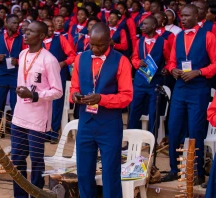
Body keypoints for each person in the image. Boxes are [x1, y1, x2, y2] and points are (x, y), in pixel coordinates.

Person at [71, 22, 133, 197]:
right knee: (83, 172)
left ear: (109, 41)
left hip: (109, 125)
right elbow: (74, 87)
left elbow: (126, 96)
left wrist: (102, 99)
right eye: (92, 44)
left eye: (99, 45)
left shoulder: (122, 61)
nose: (95, 48)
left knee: (110, 173)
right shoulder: (80, 58)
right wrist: (75, 96)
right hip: (85, 122)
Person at [161, 5, 216, 184]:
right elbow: (170, 61)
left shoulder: (208, 36)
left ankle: (198, 172)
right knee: (174, 128)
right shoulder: (178, 37)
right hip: (180, 88)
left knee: (195, 131)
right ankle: (173, 169)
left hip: (199, 89)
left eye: (186, 16)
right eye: (181, 16)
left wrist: (199, 72)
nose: (182, 19)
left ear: (196, 15)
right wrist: (173, 69)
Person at [11, 20, 62, 198]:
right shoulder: (22, 53)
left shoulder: (49, 60)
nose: (26, 33)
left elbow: (58, 91)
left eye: (31, 32)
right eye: (26, 30)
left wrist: (34, 96)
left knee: (36, 160)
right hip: (19, 115)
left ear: (41, 36)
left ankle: (37, 194)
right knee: (16, 159)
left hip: (38, 117)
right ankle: (20, 195)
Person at [128, 16, 170, 134]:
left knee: (153, 112)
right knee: (134, 110)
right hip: (140, 81)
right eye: (142, 24)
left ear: (153, 26)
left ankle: (152, 141)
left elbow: (169, 60)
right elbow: (134, 58)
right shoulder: (139, 41)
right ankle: (130, 139)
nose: (142, 26)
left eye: (145, 24)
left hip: (155, 82)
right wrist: (137, 63)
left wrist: (166, 69)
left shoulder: (164, 42)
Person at [0, 14, 25, 132]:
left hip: (16, 75)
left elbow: (27, 57)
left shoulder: (22, 39)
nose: (17, 25)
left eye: (17, 23)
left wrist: (18, 61)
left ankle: (16, 130)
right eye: (14, 23)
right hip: (2, 74)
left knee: (16, 104)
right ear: (7, 24)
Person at [42, 18, 76, 143]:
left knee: (56, 103)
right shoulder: (38, 41)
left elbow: (72, 55)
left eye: (52, 26)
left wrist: (63, 63)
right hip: (43, 78)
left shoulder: (60, 38)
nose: (51, 29)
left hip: (58, 75)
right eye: (48, 27)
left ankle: (54, 132)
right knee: (44, 103)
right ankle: (44, 131)